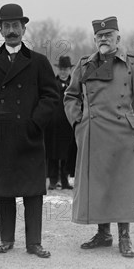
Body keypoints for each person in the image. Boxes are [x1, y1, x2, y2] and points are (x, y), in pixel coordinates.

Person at [0, 3, 59, 258]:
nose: (11, 31)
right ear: (0, 30)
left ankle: (34, 243)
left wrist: (35, 123)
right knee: (4, 191)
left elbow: (51, 97)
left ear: (23, 29)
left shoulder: (39, 62)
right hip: (0, 135)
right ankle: (6, 239)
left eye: (15, 26)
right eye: (6, 26)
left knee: (33, 192)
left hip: (29, 135)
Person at [64, 16, 134, 258]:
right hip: (93, 133)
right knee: (97, 184)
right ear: (94, 39)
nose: (104, 39)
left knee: (123, 185)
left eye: (109, 35)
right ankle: (103, 234)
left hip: (124, 133)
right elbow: (71, 96)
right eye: (99, 36)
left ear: (118, 39)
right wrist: (78, 121)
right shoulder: (84, 65)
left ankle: (124, 237)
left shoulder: (132, 64)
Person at [45, 55, 75, 190]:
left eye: (66, 69)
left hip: (68, 124)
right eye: (61, 69)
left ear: (70, 70)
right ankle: (52, 180)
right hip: (53, 124)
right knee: (52, 153)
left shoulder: (74, 85)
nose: (63, 72)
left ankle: (64, 180)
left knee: (66, 153)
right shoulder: (51, 83)